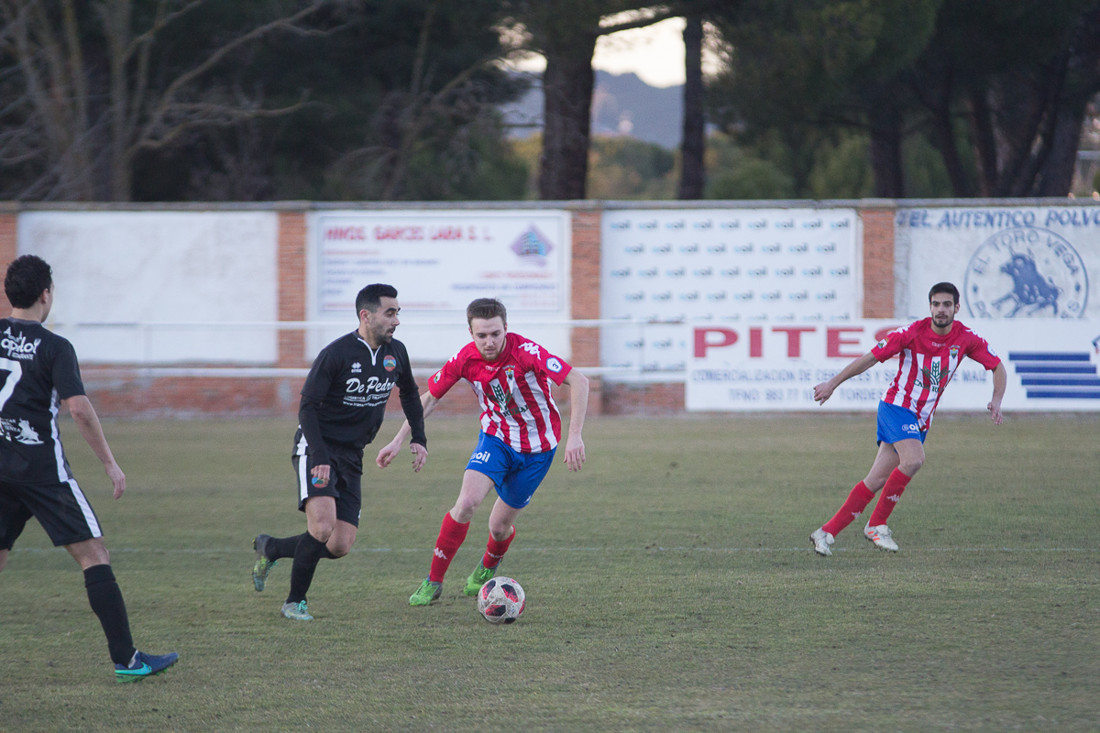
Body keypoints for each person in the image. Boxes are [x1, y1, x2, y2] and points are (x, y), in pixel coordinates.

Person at [0, 255, 178, 682]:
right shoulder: (55, 347)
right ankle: (127, 660)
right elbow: (78, 409)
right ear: (46, 294)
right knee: (94, 555)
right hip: (43, 472)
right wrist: (110, 463)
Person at [376, 297, 589, 606]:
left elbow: (579, 380)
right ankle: (433, 581)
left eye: (495, 334)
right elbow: (429, 398)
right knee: (465, 504)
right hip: (496, 439)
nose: (489, 342)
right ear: (470, 333)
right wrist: (398, 439)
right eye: (481, 335)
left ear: (506, 329)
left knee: (499, 527)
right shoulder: (465, 358)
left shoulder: (527, 353)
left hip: (538, 450)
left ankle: (487, 567)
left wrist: (575, 436)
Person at [251, 283, 427, 621]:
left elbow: (409, 394)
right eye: (390, 313)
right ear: (366, 315)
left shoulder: (397, 353)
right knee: (321, 527)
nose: (396, 321)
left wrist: (418, 437)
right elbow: (308, 408)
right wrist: (318, 456)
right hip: (317, 447)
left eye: (397, 313)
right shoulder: (337, 354)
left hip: (353, 453)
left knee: (338, 545)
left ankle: (271, 547)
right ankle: (294, 602)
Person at [809, 282, 1006, 556]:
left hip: (921, 418)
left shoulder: (966, 338)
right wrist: (833, 383)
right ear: (930, 307)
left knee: (876, 480)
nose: (940, 310)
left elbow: (997, 366)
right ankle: (876, 525)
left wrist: (997, 399)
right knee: (914, 460)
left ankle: (826, 532)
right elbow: (870, 359)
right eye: (936, 304)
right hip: (896, 407)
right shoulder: (912, 333)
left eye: (946, 305)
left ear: (956, 308)